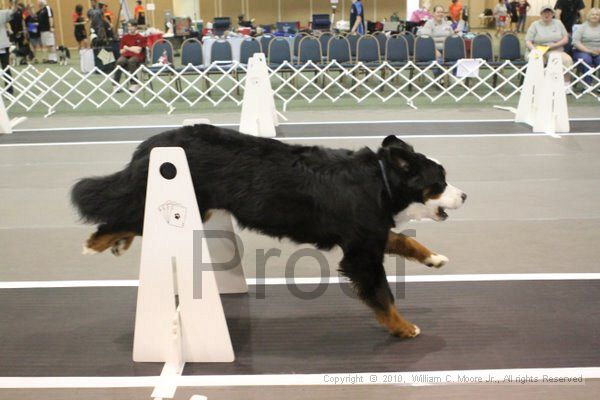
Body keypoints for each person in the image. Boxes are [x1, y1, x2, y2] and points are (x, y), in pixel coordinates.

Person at [526, 7, 573, 90]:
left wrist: (553, 46)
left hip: (556, 49)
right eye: (544, 12)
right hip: (538, 49)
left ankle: (567, 85)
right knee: (536, 60)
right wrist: (534, 50)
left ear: (552, 14)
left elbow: (566, 39)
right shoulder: (534, 24)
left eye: (549, 12)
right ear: (541, 14)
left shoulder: (558, 23)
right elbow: (528, 41)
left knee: (567, 60)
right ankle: (536, 86)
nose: (546, 14)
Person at [113, 20, 146, 93]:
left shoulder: (141, 37)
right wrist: (132, 48)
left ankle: (134, 83)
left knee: (131, 61)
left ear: (136, 27)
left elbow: (138, 51)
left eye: (131, 26)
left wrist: (127, 48)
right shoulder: (125, 37)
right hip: (125, 56)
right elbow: (121, 51)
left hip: (138, 57)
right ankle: (115, 84)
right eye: (128, 26)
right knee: (119, 62)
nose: (130, 28)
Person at [572, 8, 600, 89]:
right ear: (589, 16)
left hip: (598, 51)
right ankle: (587, 83)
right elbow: (575, 42)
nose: (594, 16)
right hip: (582, 50)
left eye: (597, 15)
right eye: (593, 14)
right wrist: (589, 51)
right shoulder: (582, 27)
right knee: (586, 59)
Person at [0, 2, 17, 94]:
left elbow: (12, 11)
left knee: (5, 68)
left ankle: (9, 89)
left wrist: (14, 2)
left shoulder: (2, 14)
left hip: (2, 45)